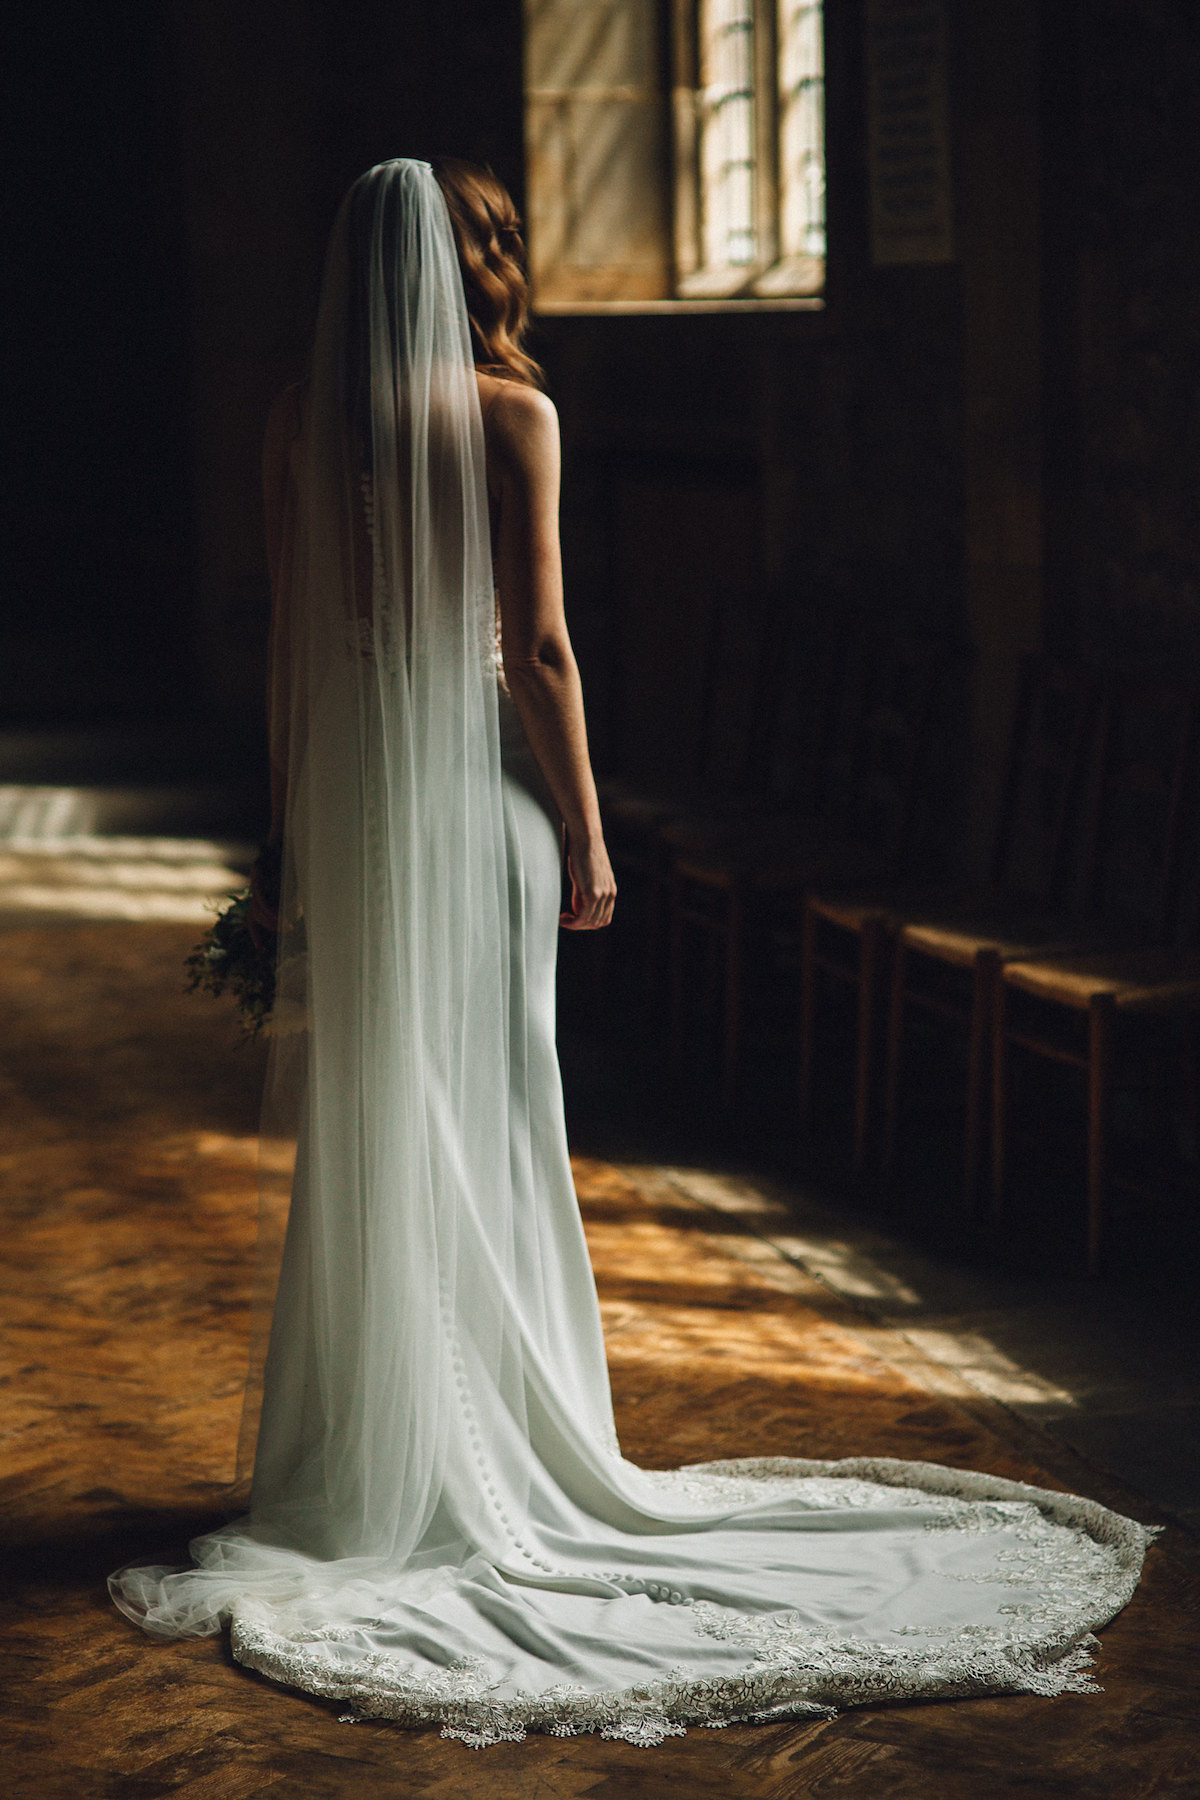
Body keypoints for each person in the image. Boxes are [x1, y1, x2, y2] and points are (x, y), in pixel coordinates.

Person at [109, 159, 1153, 1748]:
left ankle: (358, 1466)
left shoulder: (296, 425)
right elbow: (533, 648)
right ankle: (504, 1450)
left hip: (357, 805)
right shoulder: (511, 416)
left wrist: (286, 842)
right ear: (475, 261)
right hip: (471, 798)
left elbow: (292, 651)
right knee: (499, 1108)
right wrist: (586, 827)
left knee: (383, 1117)